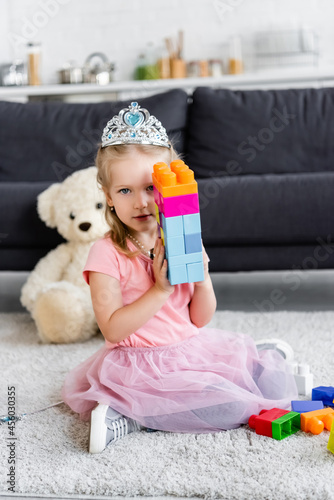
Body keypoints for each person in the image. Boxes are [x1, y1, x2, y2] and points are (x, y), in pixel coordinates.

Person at [62, 102, 298, 454]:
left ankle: (250, 358)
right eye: (125, 191)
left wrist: (201, 277)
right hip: (138, 364)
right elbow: (112, 329)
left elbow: (200, 318)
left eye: (149, 188)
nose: (141, 202)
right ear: (108, 198)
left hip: (189, 349)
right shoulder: (106, 253)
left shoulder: (182, 236)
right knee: (232, 407)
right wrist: (159, 290)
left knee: (254, 385)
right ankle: (127, 414)